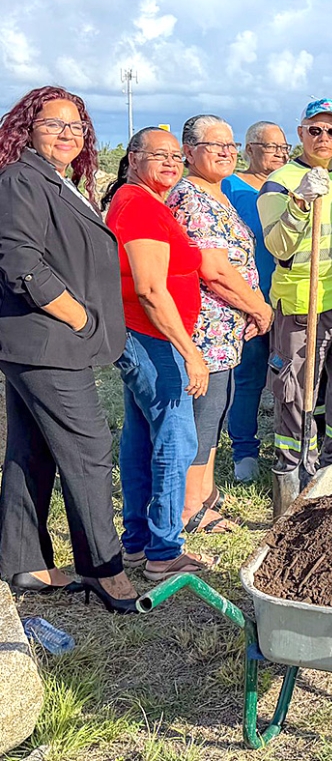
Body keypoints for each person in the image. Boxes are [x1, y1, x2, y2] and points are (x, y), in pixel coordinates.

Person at [0, 86, 138, 611]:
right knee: (89, 452)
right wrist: (78, 315)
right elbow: (20, 263)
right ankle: (104, 571)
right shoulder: (21, 179)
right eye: (53, 124)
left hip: (42, 343)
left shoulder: (55, 180)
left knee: (30, 451)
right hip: (47, 342)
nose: (67, 134)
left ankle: (23, 564)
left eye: (76, 126)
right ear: (27, 128)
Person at [103, 127, 214, 581]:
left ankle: (136, 542)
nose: (171, 163)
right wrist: (191, 352)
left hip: (144, 335)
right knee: (175, 437)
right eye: (159, 155)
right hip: (151, 336)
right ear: (133, 158)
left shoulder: (142, 202)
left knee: (142, 437)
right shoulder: (140, 207)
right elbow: (150, 289)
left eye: (176, 157)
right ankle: (164, 549)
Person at [258, 99, 332, 492]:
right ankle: (294, 465)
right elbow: (278, 245)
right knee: (294, 389)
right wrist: (300, 203)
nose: (324, 138)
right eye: (316, 130)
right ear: (301, 132)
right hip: (300, 303)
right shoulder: (281, 181)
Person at [169, 115, 274, 532]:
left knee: (214, 413)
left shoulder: (218, 195)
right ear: (189, 151)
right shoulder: (193, 198)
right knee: (202, 417)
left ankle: (204, 493)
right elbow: (213, 269)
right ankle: (189, 506)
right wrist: (259, 307)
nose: (226, 153)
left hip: (224, 331)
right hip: (205, 330)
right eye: (216, 146)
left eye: (230, 145)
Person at [223, 121, 287, 483]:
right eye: (271, 147)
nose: (279, 153)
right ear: (249, 149)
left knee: (288, 377)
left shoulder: (291, 183)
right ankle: (244, 450)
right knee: (248, 376)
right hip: (246, 300)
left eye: (283, 147)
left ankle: (289, 446)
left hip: (288, 297)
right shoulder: (230, 188)